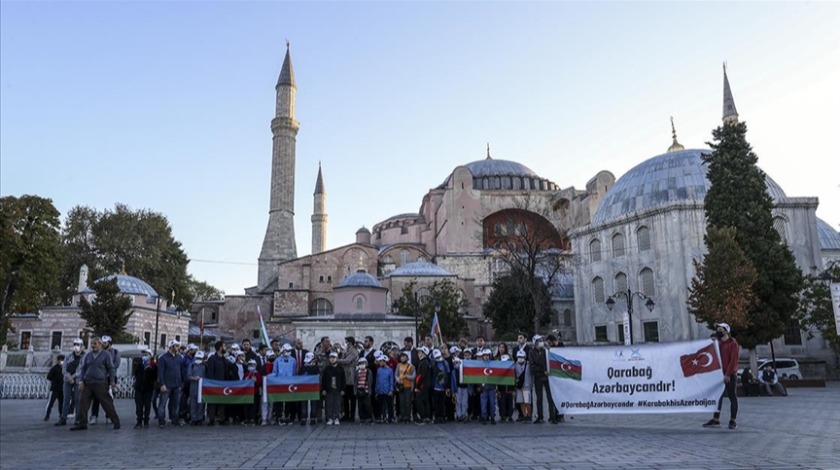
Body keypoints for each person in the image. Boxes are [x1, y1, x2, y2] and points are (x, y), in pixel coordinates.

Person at [70, 337, 121, 431]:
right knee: (83, 403)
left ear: (100, 345)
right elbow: (83, 369)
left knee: (107, 403)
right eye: (92, 344)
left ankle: (116, 421)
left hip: (100, 383)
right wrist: (81, 381)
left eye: (95, 344)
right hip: (88, 383)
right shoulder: (88, 355)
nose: (93, 345)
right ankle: (82, 423)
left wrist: (112, 381)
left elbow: (111, 368)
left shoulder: (105, 355)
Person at [703, 322, 740, 429]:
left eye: (720, 329)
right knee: (717, 396)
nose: (718, 331)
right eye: (717, 329)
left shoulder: (733, 343)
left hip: (730, 375)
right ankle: (716, 419)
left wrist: (728, 374)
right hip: (719, 374)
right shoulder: (718, 344)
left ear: (726, 331)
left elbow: (734, 360)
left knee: (732, 396)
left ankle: (733, 420)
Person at [56, 338, 85, 426]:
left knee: (77, 399)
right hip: (67, 379)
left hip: (78, 380)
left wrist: (74, 376)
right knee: (66, 399)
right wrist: (68, 376)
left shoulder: (84, 357)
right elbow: (64, 368)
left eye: (78, 344)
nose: (76, 346)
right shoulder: (68, 356)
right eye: (75, 344)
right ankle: (63, 418)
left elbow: (83, 369)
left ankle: (78, 419)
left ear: (82, 346)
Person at [157, 339, 184, 427]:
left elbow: (181, 370)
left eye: (178, 346)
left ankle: (174, 419)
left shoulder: (179, 357)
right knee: (162, 404)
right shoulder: (163, 358)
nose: (178, 347)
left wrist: (181, 383)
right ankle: (161, 420)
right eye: (176, 346)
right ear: (171, 346)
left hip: (177, 385)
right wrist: (162, 384)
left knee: (176, 404)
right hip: (167, 385)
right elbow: (160, 372)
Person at [271, 343, 296, 425]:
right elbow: (275, 371)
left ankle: (288, 417)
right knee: (279, 401)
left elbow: (294, 372)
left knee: (289, 401)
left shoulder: (293, 360)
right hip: (280, 383)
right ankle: (279, 417)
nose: (288, 352)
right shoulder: (277, 360)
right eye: (287, 350)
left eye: (289, 351)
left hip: (289, 383)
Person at [204, 341, 228, 426]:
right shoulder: (212, 359)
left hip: (223, 385)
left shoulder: (224, 359)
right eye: (224, 346)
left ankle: (222, 418)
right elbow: (210, 373)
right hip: (214, 384)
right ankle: (211, 419)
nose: (225, 348)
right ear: (220, 347)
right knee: (212, 402)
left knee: (222, 402)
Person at [133, 348, 157, 429]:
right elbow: (135, 373)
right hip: (139, 387)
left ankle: (146, 421)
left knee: (147, 405)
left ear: (151, 356)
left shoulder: (153, 365)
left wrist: (151, 368)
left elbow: (155, 377)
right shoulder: (139, 363)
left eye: (147, 354)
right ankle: (139, 421)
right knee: (139, 405)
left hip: (148, 388)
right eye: (144, 354)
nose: (145, 356)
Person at [337, 336, 359, 422]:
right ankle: (346, 414)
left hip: (351, 376)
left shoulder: (354, 351)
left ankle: (352, 415)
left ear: (351, 342)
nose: (346, 343)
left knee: (352, 397)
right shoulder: (347, 351)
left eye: (347, 342)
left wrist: (337, 360)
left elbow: (347, 361)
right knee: (345, 397)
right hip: (345, 375)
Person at [529, 335, 551, 424]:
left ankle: (552, 416)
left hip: (547, 377)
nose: (541, 342)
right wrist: (543, 370)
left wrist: (547, 370)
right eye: (539, 341)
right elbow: (532, 365)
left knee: (550, 397)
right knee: (539, 398)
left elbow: (549, 361)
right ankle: (540, 416)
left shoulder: (545, 351)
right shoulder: (531, 352)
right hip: (538, 377)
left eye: (542, 340)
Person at [322, 351, 345, 425]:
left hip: (337, 389)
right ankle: (330, 418)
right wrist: (323, 389)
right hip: (329, 390)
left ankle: (337, 417)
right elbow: (323, 380)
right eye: (331, 358)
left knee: (337, 404)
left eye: (334, 357)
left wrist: (342, 389)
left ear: (337, 358)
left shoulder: (340, 368)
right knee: (329, 404)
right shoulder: (327, 369)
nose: (332, 359)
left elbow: (343, 379)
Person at [431, 349, 450, 423]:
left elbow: (448, 375)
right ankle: (436, 416)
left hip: (443, 387)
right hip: (436, 387)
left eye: (438, 357)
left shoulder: (445, 363)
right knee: (436, 403)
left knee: (442, 403)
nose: (437, 359)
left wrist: (448, 387)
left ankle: (442, 416)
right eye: (436, 357)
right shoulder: (433, 364)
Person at [414, 347, 432, 425]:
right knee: (425, 401)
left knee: (419, 400)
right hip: (425, 385)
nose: (418, 354)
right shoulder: (424, 362)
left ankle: (423, 417)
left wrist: (417, 386)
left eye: (420, 352)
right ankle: (426, 417)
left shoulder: (424, 363)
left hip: (423, 385)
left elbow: (422, 375)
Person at [395, 351, 415, 423]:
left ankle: (408, 416)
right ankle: (403, 416)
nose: (402, 358)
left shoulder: (411, 366)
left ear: (407, 358)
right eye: (401, 357)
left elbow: (413, 376)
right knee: (402, 401)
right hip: (401, 386)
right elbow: (396, 375)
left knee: (408, 402)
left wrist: (407, 377)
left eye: (404, 357)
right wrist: (398, 380)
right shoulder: (398, 365)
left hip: (408, 386)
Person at [300, 352, 319, 425]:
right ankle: (304, 417)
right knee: (304, 404)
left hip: (313, 388)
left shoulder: (316, 367)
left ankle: (313, 417)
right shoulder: (303, 367)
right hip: (304, 388)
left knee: (313, 403)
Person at [188, 350, 207, 425]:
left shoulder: (204, 366)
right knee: (193, 404)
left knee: (201, 404)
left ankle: (200, 418)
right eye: (197, 358)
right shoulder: (191, 365)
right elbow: (188, 376)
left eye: (200, 358)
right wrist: (194, 378)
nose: (198, 359)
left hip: (202, 388)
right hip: (193, 387)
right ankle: (194, 418)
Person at [375, 354, 395, 423]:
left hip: (387, 390)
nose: (380, 363)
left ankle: (390, 417)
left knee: (389, 405)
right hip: (380, 390)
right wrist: (376, 390)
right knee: (379, 405)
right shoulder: (379, 370)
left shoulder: (390, 370)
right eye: (379, 361)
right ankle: (379, 417)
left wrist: (391, 390)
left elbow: (391, 381)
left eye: (381, 361)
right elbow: (377, 381)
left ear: (385, 361)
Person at [479, 349, 497, 425]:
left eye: (487, 355)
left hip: (492, 386)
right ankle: (484, 417)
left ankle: (492, 417)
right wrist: (479, 385)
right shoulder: (479, 365)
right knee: (483, 403)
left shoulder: (493, 364)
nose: (486, 357)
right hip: (483, 387)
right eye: (484, 355)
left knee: (492, 403)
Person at [514, 350, 532, 422]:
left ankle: (529, 416)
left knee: (527, 402)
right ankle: (524, 415)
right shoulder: (515, 365)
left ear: (525, 357)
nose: (520, 358)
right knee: (521, 401)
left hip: (527, 385)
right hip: (519, 386)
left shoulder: (528, 365)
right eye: (519, 357)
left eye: (521, 357)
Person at [45, 354, 64, 421]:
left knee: (61, 403)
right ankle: (47, 415)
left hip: (61, 388)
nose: (61, 361)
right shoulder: (54, 368)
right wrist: (54, 380)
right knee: (51, 402)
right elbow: (49, 376)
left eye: (62, 360)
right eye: (60, 360)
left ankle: (61, 414)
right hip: (55, 388)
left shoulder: (64, 368)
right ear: (58, 360)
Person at [355, 357, 373, 424]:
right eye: (360, 363)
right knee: (360, 405)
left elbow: (370, 381)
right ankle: (362, 417)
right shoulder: (357, 372)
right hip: (359, 390)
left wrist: (369, 390)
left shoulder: (368, 371)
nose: (362, 364)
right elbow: (355, 381)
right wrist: (355, 390)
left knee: (367, 405)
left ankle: (369, 417)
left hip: (366, 390)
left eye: (363, 363)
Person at [450, 356, 469, 422]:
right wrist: (453, 391)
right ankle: (459, 415)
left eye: (457, 362)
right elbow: (453, 382)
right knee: (458, 402)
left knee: (464, 402)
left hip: (465, 387)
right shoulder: (453, 371)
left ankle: (463, 415)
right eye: (454, 363)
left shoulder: (465, 369)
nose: (456, 364)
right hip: (458, 387)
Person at [497, 354, 515, 423]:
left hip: (509, 390)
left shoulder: (512, 370)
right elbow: (497, 380)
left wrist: (513, 390)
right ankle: (502, 417)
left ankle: (509, 416)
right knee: (502, 404)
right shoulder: (499, 370)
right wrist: (497, 390)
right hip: (501, 390)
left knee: (510, 404)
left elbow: (513, 380)